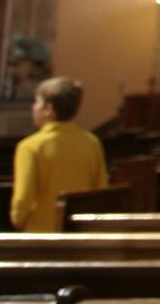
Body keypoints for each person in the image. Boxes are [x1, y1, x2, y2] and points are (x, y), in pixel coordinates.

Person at [11, 75, 108, 233]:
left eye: (37, 102)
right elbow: (101, 189)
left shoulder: (30, 147)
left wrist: (17, 220)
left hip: (41, 233)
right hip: (79, 231)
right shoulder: (91, 142)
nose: (33, 107)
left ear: (49, 109)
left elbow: (24, 197)